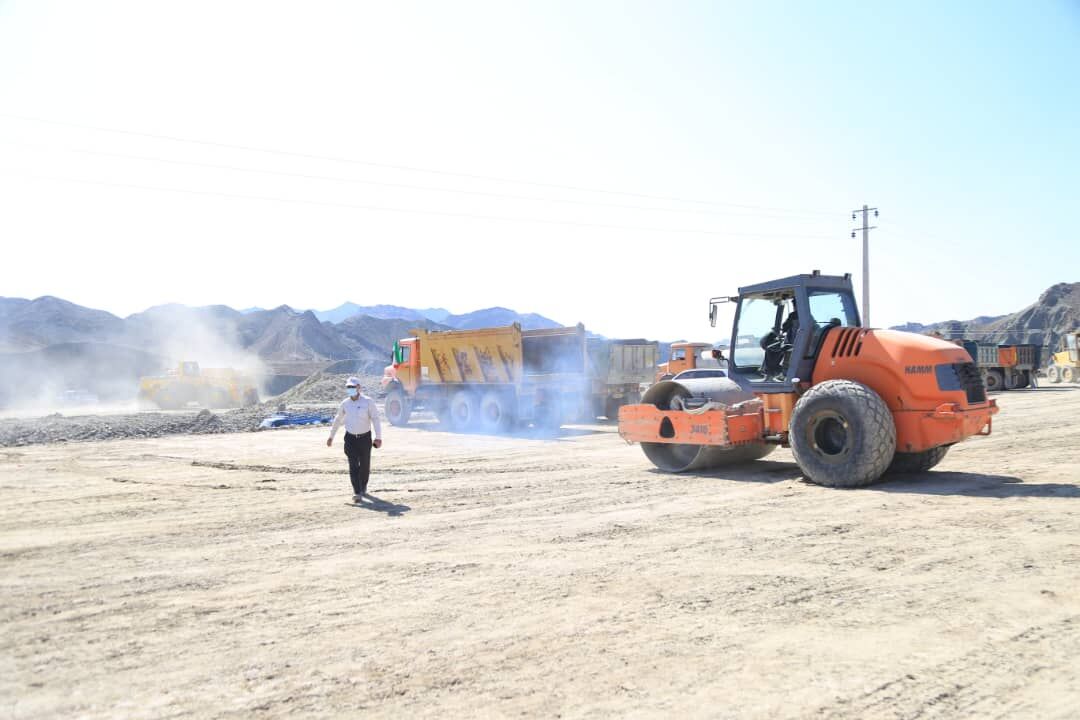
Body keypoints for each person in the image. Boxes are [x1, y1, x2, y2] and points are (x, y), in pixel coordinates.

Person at [326, 377, 383, 502]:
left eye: (352, 387)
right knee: (353, 465)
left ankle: (363, 486)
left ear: (359, 387)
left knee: (364, 466)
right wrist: (331, 436)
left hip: (365, 438)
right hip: (350, 439)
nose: (350, 389)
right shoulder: (345, 403)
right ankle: (357, 491)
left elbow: (375, 419)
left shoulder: (368, 402)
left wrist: (378, 437)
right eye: (348, 387)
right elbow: (337, 419)